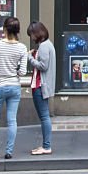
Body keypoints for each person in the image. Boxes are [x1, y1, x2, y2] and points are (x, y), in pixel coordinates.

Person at [0, 17, 28, 160]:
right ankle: (9, 151)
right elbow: (22, 72)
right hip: (14, 86)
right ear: (18, 31)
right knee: (12, 120)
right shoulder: (22, 48)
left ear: (4, 29)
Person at [27, 21, 56, 155]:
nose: (31, 38)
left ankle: (46, 146)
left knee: (44, 116)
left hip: (40, 85)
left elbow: (43, 66)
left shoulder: (44, 46)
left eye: (32, 34)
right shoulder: (48, 45)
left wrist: (30, 58)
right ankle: (45, 145)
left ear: (37, 33)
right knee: (44, 116)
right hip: (43, 84)